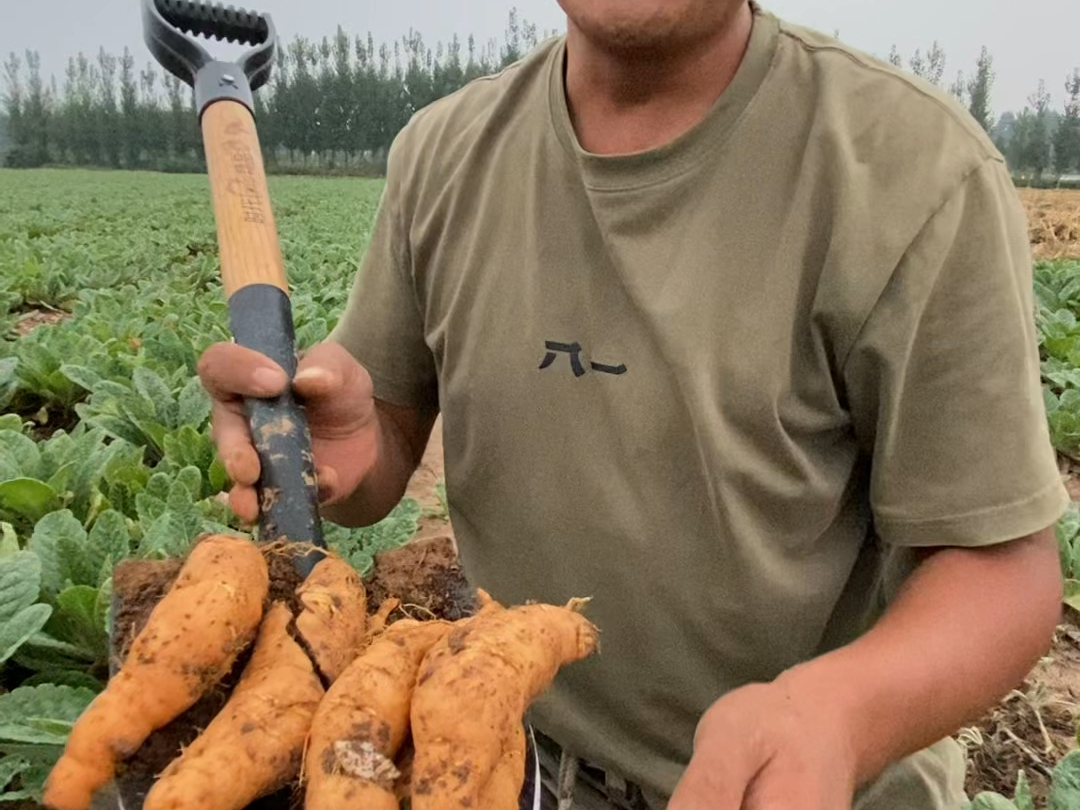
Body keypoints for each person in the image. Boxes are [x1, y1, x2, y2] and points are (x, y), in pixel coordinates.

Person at [197, 0, 1069, 807]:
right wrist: (347, 447)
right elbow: (383, 438)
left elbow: (1001, 567)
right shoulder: (444, 151)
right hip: (505, 753)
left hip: (812, 785)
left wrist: (837, 715)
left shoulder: (914, 172)